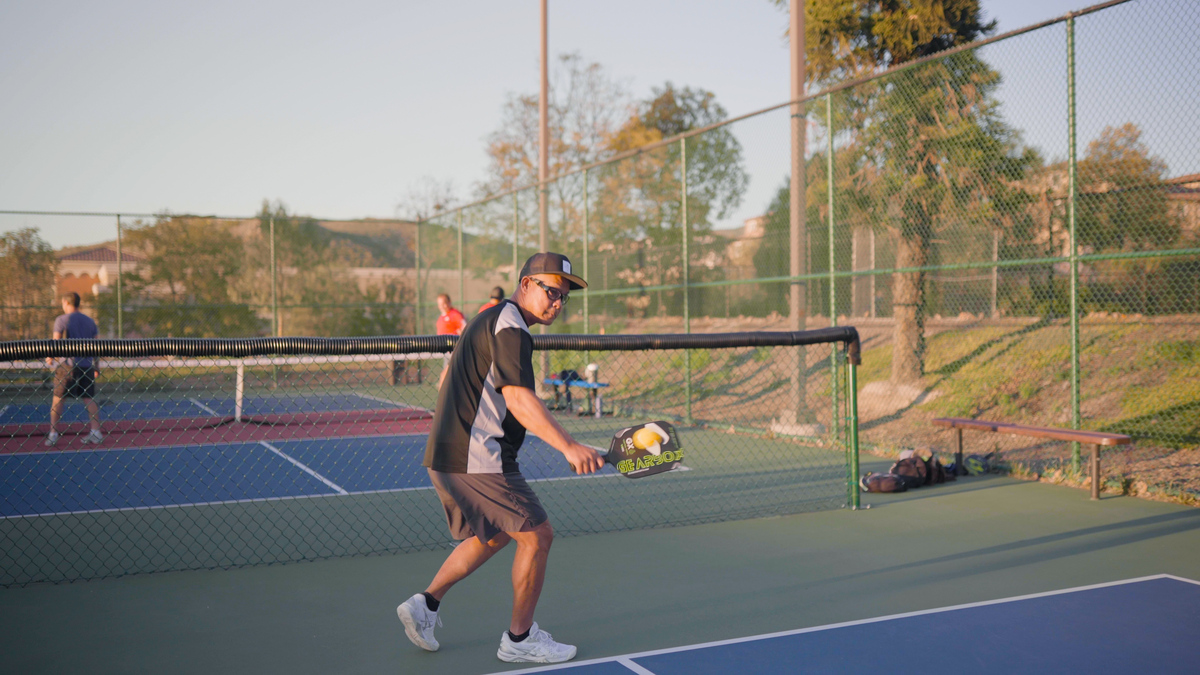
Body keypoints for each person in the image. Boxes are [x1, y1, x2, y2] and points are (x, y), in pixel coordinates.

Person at [397, 252, 604, 665]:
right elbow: (518, 398)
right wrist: (568, 446)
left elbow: (456, 381)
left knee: (496, 533)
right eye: (551, 291)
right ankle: (520, 639)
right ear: (526, 284)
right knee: (537, 534)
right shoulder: (511, 327)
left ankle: (426, 605)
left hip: (450, 453)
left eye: (564, 297)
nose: (558, 302)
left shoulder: (490, 319)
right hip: (478, 456)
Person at [45, 292, 102, 446]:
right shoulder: (90, 321)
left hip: (67, 367)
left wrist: (50, 357)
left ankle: (53, 433)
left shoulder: (61, 320)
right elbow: (97, 346)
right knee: (89, 398)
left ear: (66, 302)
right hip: (87, 366)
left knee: (58, 399)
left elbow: (55, 343)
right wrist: (96, 366)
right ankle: (96, 432)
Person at [435, 293, 466, 391]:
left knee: (445, 375)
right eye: (440, 304)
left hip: (454, 350)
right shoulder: (441, 317)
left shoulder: (455, 314)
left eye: (444, 303)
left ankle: (442, 394)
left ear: (449, 302)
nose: (442, 306)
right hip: (446, 351)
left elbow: (464, 328)